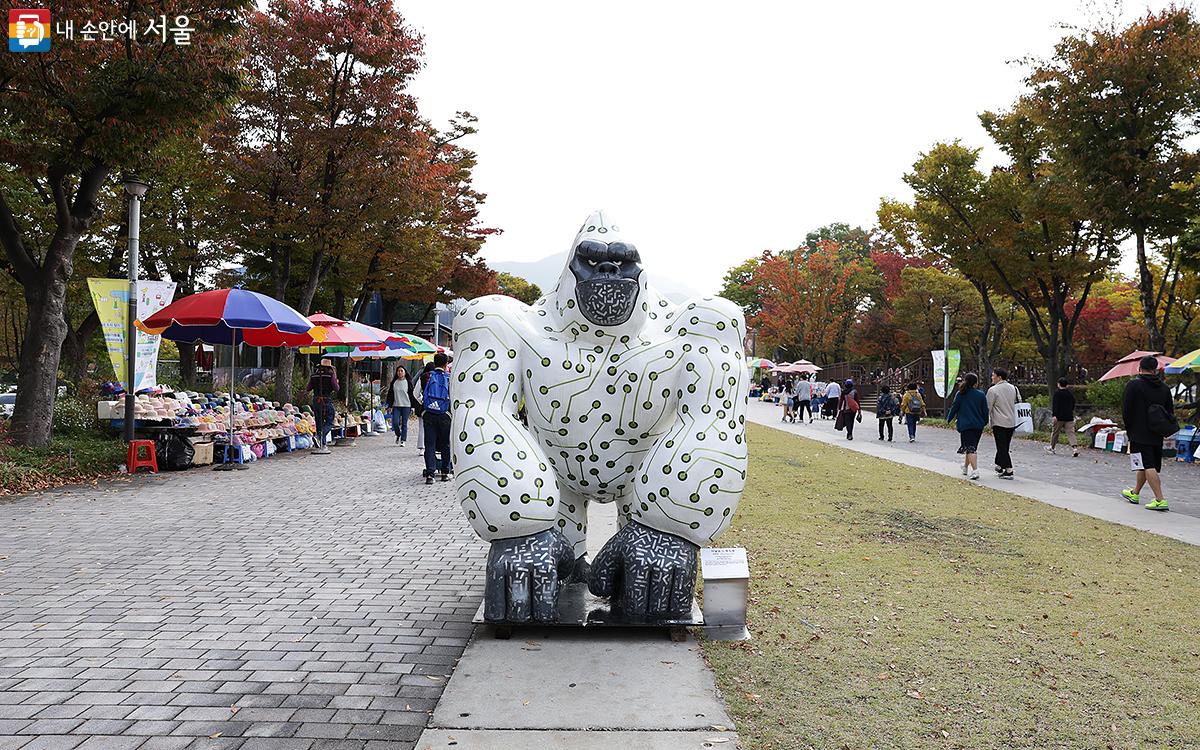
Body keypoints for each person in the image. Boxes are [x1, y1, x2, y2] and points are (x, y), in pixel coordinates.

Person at [1121, 355, 1177, 512]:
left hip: (1138, 431)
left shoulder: (1133, 386)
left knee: (1148, 464)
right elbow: (1169, 412)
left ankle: (1160, 499)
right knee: (1144, 463)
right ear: (1156, 370)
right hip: (1157, 433)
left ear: (1140, 368)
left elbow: (1127, 410)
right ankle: (1135, 493)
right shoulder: (1165, 389)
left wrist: (1129, 429)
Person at [414, 352, 453, 484]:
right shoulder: (449, 377)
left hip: (429, 414)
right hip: (444, 415)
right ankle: (445, 472)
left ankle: (430, 474)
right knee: (445, 444)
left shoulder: (425, 376)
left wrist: (425, 405)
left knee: (429, 444)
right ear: (446, 364)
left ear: (434, 363)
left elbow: (415, 394)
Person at [946, 372, 988, 480]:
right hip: (978, 425)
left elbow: (954, 407)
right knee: (971, 447)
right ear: (975, 383)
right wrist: (985, 421)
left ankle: (975, 471)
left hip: (965, 425)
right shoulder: (981, 395)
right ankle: (965, 467)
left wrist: (949, 419)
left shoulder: (960, 394)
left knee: (970, 448)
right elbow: (985, 410)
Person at [986, 367, 1020, 480]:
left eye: (993, 375)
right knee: (1005, 445)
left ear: (999, 377)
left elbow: (988, 407)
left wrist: (986, 422)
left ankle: (1009, 470)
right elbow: (1018, 401)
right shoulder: (1013, 388)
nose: (992, 377)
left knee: (1002, 446)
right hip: (1011, 421)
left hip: (999, 422)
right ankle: (999, 464)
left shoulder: (993, 390)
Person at [305, 358, 339, 455]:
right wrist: (336, 381)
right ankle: (319, 437)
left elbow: (308, 388)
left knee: (319, 422)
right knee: (330, 421)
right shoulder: (330, 375)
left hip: (316, 400)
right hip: (326, 399)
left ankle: (322, 444)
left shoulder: (314, 375)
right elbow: (336, 388)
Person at [1046, 377, 1078, 457]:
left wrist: (1054, 415)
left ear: (1058, 384)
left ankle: (1052, 447)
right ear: (1067, 385)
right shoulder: (1070, 394)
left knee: (1055, 432)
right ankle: (1074, 448)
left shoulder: (1057, 394)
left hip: (1059, 417)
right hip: (1069, 416)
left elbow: (1055, 405)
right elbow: (1073, 404)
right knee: (1071, 433)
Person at [384, 365, 412, 446]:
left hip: (406, 405)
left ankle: (403, 440)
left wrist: (413, 406)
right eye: (398, 371)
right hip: (396, 405)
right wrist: (389, 405)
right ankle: (398, 434)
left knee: (404, 423)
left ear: (405, 372)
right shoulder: (394, 382)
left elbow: (411, 394)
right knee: (395, 422)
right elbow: (390, 394)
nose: (400, 372)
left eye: (401, 371)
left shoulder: (408, 382)